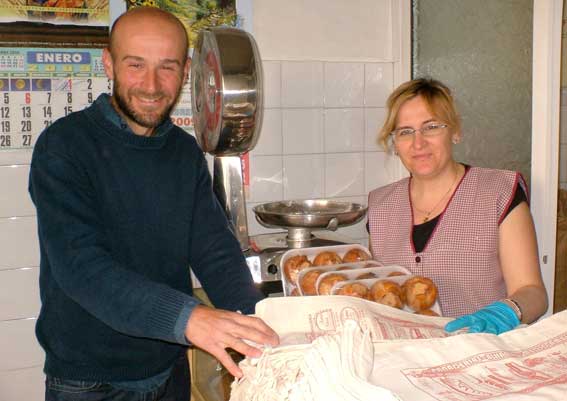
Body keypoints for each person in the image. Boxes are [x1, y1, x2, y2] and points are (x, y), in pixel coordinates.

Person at [28, 6, 279, 401]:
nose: (151, 85)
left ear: (187, 68)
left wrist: (266, 323)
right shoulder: (64, 147)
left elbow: (216, 254)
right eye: (135, 65)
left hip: (169, 371)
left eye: (167, 67)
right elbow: (81, 268)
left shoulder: (183, 152)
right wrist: (189, 319)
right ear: (108, 64)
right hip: (90, 382)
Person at [368, 78, 548, 335]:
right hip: (404, 357)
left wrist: (506, 312)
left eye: (431, 127)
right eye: (405, 132)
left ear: (454, 132)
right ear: (395, 143)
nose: (418, 143)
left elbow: (533, 293)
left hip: (482, 355)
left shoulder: (498, 192)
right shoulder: (380, 206)